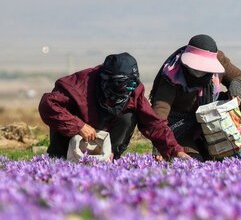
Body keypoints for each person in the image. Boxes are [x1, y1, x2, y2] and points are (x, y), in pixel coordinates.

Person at [39, 52, 188, 160]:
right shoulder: (80, 84)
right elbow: (48, 104)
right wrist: (78, 126)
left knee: (130, 117)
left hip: (105, 140)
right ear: (106, 79)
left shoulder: (134, 91)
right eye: (120, 88)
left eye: (129, 89)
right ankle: (58, 159)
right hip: (74, 137)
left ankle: (110, 159)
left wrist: (175, 151)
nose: (126, 92)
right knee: (61, 113)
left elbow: (153, 123)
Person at [149, 34, 241, 160]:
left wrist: (235, 85)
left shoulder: (219, 59)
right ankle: (199, 146)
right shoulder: (172, 74)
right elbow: (160, 110)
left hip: (210, 116)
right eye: (195, 70)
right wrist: (159, 143)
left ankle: (234, 141)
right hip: (182, 126)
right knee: (195, 162)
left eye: (204, 70)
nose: (199, 75)